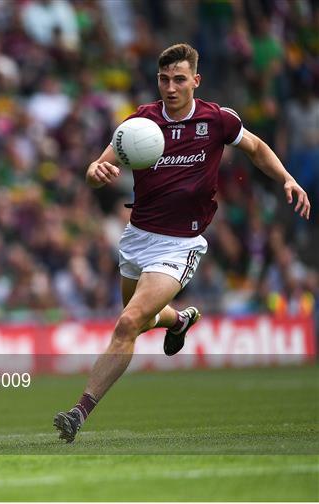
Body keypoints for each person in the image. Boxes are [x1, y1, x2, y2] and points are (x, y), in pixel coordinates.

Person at [53, 43, 310, 443]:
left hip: (181, 243)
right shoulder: (140, 123)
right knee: (141, 316)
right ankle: (181, 319)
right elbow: (97, 167)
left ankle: (78, 412)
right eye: (163, 79)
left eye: (178, 79)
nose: (170, 88)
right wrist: (94, 172)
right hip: (137, 236)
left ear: (195, 80)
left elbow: (256, 148)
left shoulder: (217, 120)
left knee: (127, 324)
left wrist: (287, 178)